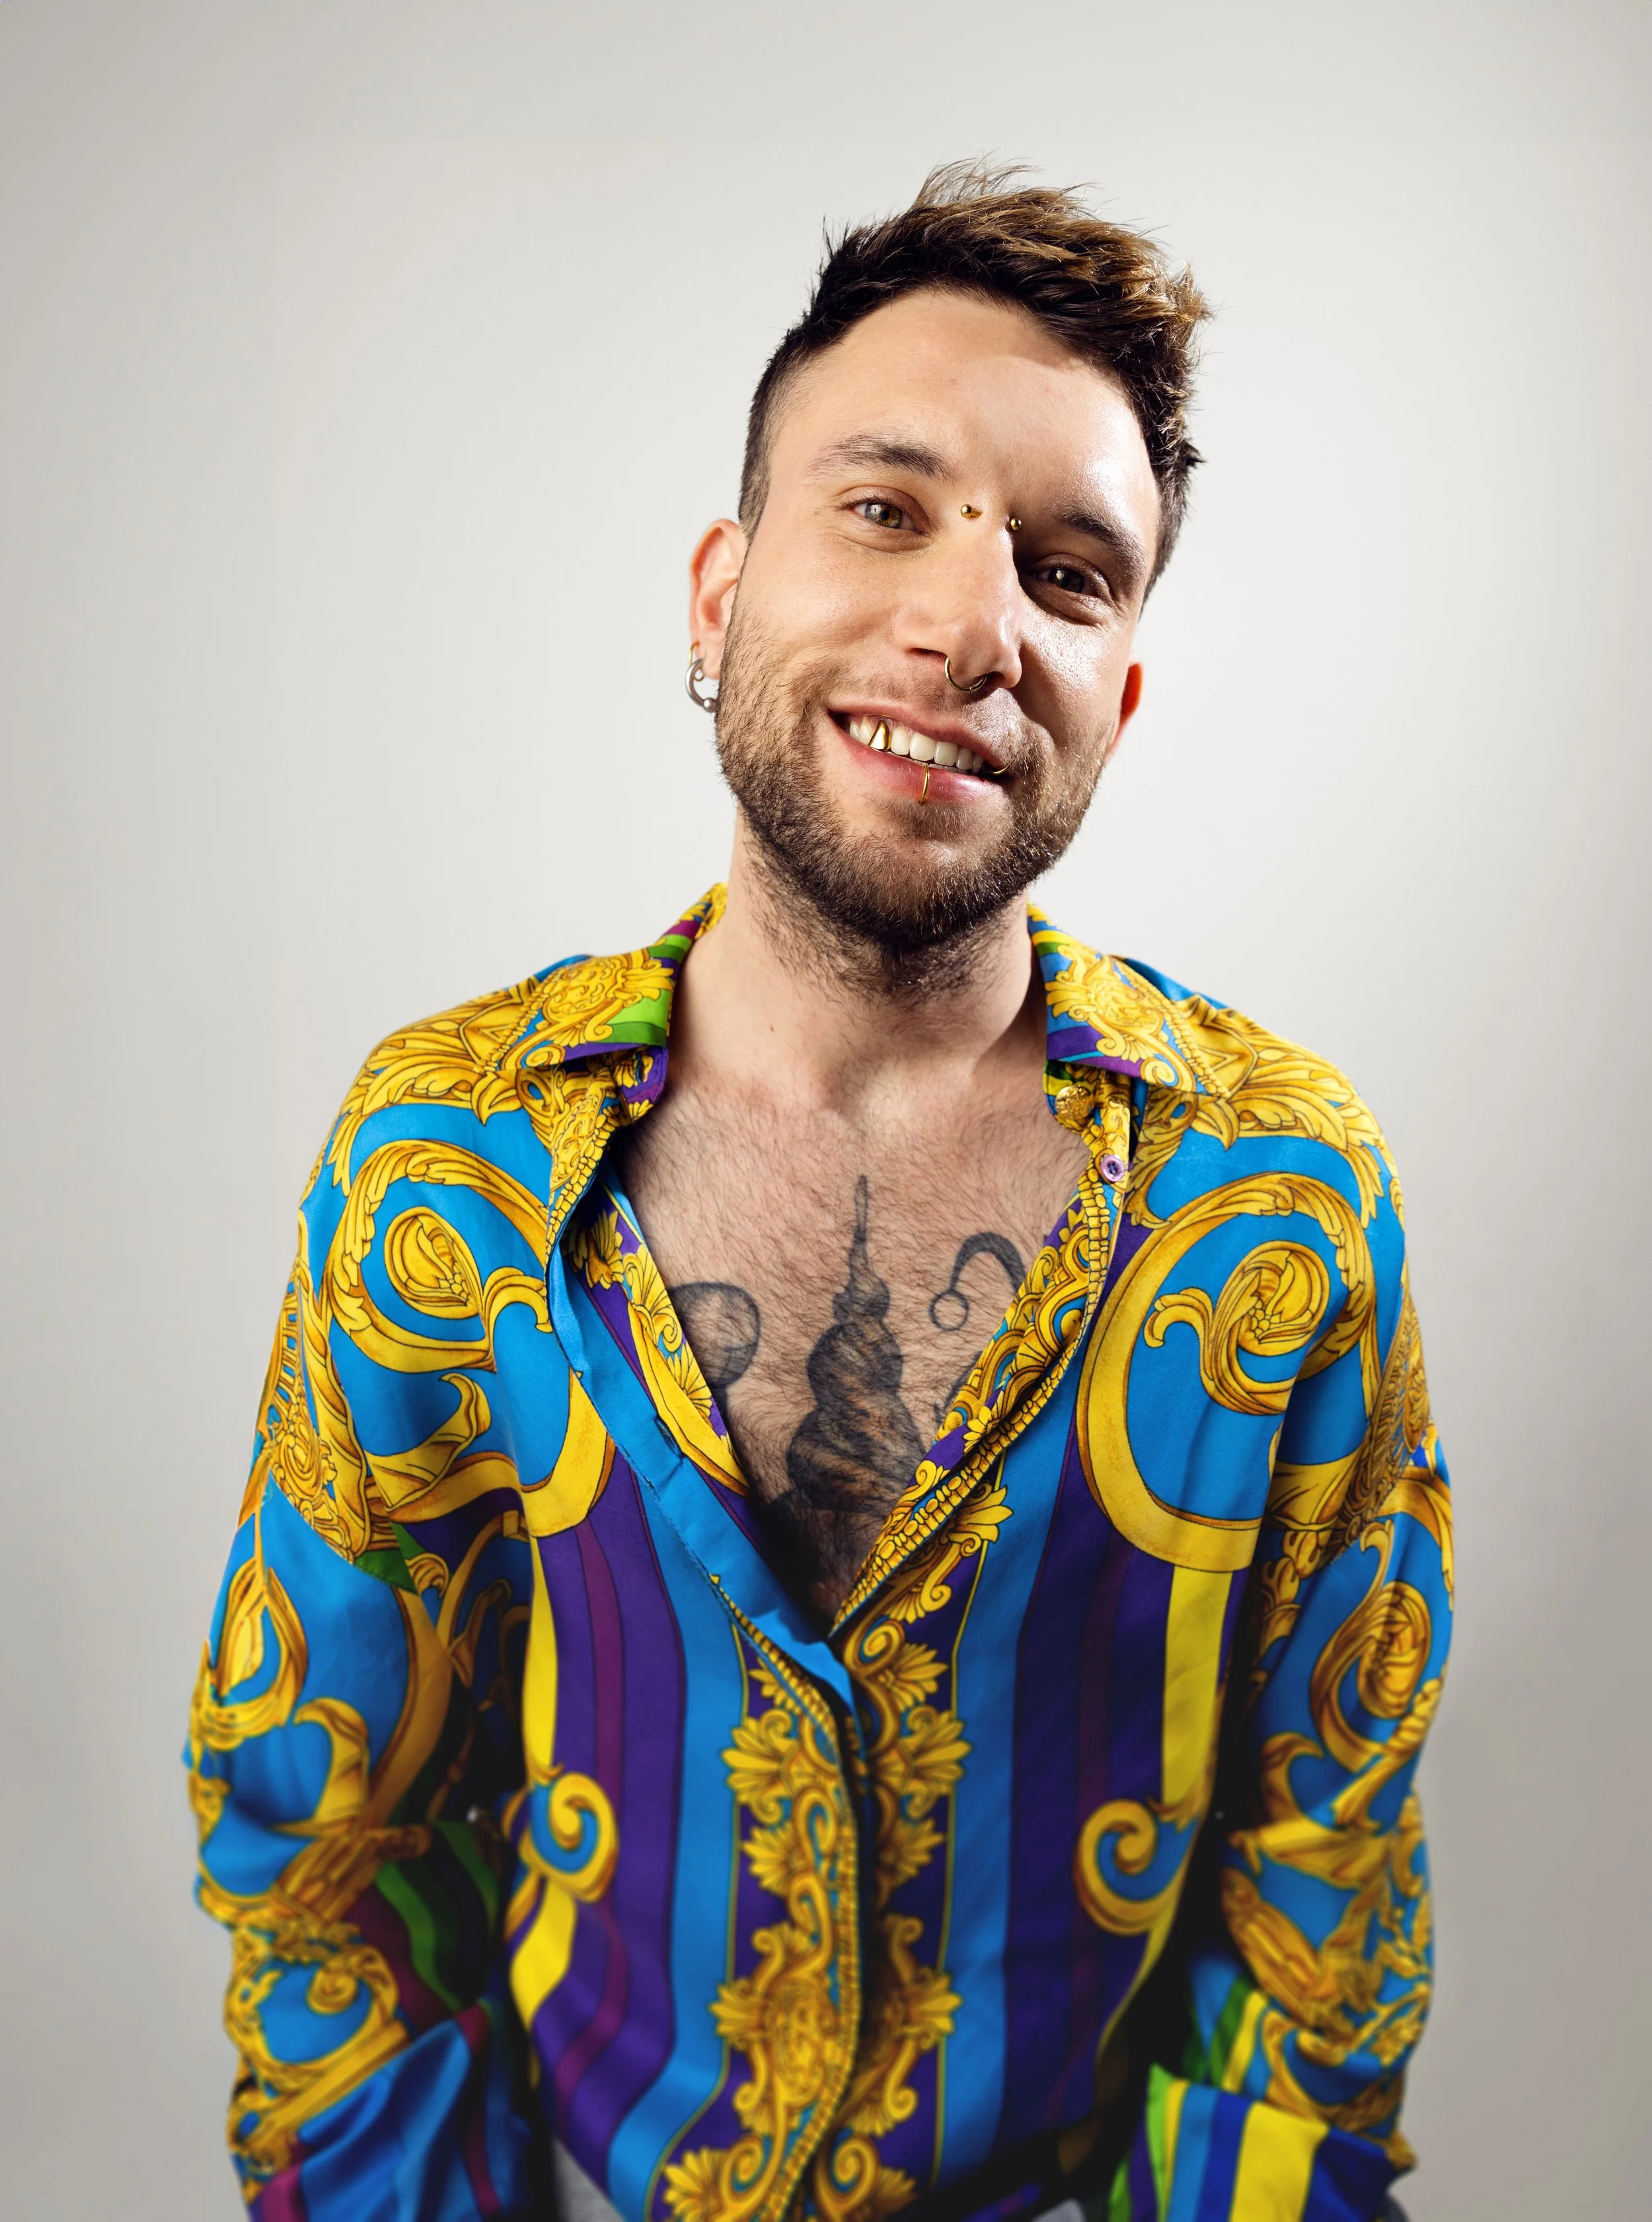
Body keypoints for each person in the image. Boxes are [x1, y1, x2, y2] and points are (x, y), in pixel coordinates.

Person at [187, 164, 1449, 2222]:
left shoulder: (1284, 1196)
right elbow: (318, 1831)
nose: (968, 624)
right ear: (716, 592)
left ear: (1116, 697)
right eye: (884, 507)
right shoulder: (450, 1154)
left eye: (1068, 571)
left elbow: (1319, 1900)